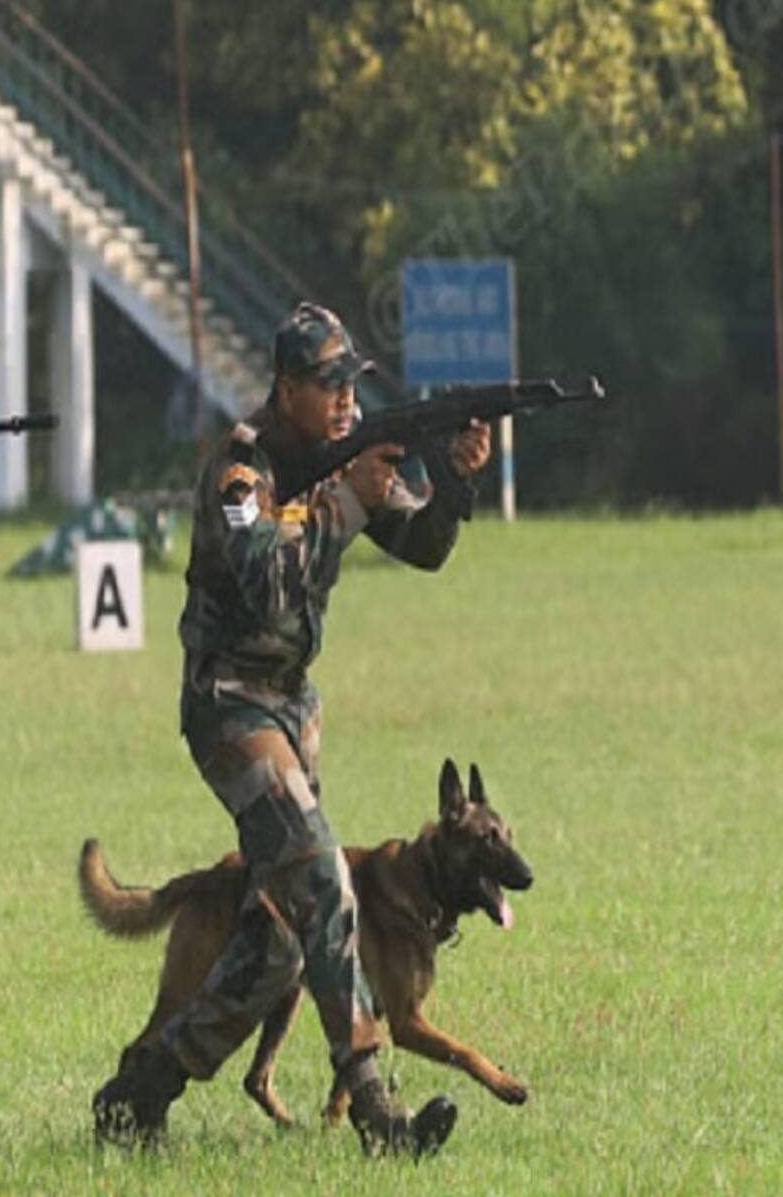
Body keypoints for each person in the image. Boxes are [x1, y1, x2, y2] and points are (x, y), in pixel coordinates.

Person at [92, 301, 493, 1156]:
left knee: (278, 937)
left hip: (291, 707)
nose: (349, 399)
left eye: (356, 383)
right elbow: (264, 581)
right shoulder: (242, 473)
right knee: (323, 878)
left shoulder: (341, 458)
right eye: (330, 383)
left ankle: (141, 1091)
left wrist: (453, 479)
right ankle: (379, 1111)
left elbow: (423, 546)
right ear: (286, 388)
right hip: (229, 703)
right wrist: (346, 500)